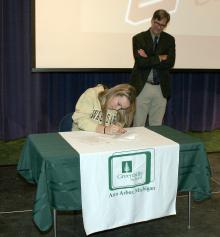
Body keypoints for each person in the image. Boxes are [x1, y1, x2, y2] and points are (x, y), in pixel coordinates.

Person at [129, 9, 175, 126]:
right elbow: (141, 63)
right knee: (138, 124)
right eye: (157, 23)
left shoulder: (169, 40)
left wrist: (148, 57)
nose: (159, 27)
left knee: (157, 125)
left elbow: (170, 63)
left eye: (162, 25)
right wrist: (160, 57)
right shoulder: (139, 38)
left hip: (161, 88)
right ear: (152, 20)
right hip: (142, 86)